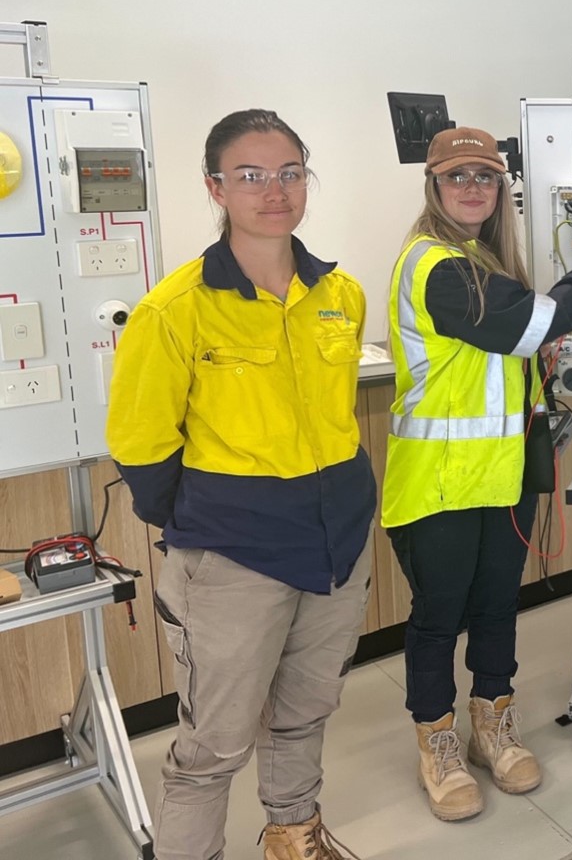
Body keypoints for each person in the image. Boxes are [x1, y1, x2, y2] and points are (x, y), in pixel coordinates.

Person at [107, 110, 375, 860]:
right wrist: (205, 525)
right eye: (251, 176)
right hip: (232, 556)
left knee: (305, 711)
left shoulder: (339, 293)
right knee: (213, 744)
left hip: (336, 542)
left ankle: (294, 837)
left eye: (290, 172)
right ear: (214, 188)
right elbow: (140, 446)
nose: (274, 191)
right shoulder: (174, 310)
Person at [382, 126, 572, 821]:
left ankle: (493, 725)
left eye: (484, 177)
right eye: (457, 177)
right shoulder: (436, 265)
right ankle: (437, 742)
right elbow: (528, 325)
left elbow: (509, 352)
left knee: (494, 609)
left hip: (502, 477)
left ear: (500, 189)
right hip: (438, 482)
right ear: (433, 186)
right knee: (438, 617)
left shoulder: (482, 259)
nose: (472, 188)